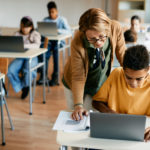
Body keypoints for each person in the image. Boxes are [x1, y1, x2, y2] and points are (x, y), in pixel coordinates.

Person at [62, 8, 126, 121]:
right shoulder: (78, 41)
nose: (98, 43)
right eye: (92, 39)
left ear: (107, 30)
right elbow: (78, 77)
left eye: (102, 37)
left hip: (98, 81)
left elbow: (123, 57)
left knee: (92, 117)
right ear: (84, 33)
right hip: (74, 81)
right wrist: (78, 105)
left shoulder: (115, 28)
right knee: (78, 117)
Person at [92, 45, 150, 142]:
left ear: (148, 69)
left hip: (142, 134)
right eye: (128, 77)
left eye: (139, 79)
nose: (133, 83)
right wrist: (109, 113)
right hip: (114, 129)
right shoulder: (116, 73)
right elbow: (96, 102)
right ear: (123, 68)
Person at [37, 1, 71, 86]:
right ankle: (43, 75)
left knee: (56, 51)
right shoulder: (45, 20)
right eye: (49, 12)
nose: (51, 14)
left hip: (59, 42)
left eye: (53, 12)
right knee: (44, 51)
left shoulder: (62, 20)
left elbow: (69, 32)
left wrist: (57, 30)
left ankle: (55, 76)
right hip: (48, 42)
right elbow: (39, 31)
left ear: (57, 11)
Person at [7, 16, 41, 99]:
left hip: (31, 57)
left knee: (28, 70)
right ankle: (22, 86)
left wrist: (23, 45)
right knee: (10, 70)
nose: (24, 29)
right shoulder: (17, 34)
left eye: (27, 27)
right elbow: (12, 44)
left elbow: (37, 45)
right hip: (20, 57)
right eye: (22, 27)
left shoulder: (35, 34)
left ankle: (26, 85)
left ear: (31, 27)